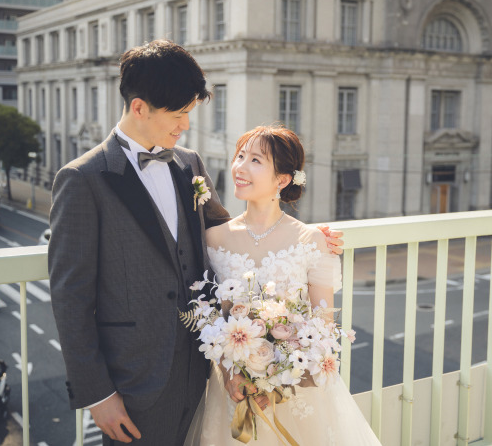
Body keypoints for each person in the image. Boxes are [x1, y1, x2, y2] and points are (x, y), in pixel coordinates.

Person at [48, 40, 342, 445]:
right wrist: (98, 393)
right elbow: (70, 297)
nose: (185, 125)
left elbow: (233, 233)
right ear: (139, 108)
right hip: (134, 384)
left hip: (204, 375)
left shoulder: (189, 164)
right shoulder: (82, 179)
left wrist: (307, 236)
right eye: (179, 114)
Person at [185, 125, 381, 446]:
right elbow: (214, 321)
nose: (240, 167)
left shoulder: (311, 240)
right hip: (232, 389)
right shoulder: (214, 238)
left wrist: (278, 384)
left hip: (296, 392)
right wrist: (231, 372)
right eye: (240, 156)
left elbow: (323, 326)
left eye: (256, 160)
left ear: (282, 180)